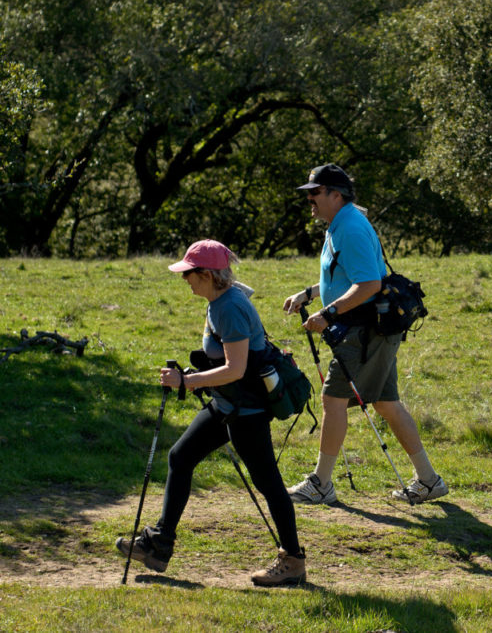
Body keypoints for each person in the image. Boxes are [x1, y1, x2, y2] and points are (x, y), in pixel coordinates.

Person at [115, 239, 306, 587]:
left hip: (246, 410)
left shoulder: (229, 307)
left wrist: (186, 382)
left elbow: (236, 368)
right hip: (227, 404)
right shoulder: (219, 300)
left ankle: (293, 560)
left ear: (206, 274)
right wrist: (197, 377)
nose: (184, 280)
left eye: (188, 274)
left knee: (269, 484)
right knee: (181, 457)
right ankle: (158, 545)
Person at [282, 163, 448, 505]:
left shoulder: (351, 227)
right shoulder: (338, 225)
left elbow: (369, 283)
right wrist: (310, 293)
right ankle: (429, 481)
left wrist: (328, 313)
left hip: (363, 331)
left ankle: (321, 484)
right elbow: (347, 276)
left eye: (315, 193)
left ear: (335, 195)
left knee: (332, 400)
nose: (309, 200)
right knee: (387, 404)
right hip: (367, 329)